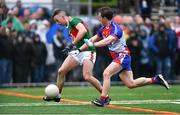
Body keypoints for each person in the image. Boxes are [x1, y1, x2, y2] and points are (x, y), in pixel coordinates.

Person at [82, 7, 169, 107]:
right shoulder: (103, 28)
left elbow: (108, 41)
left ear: (105, 18)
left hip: (123, 55)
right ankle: (155, 79)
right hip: (118, 57)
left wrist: (93, 45)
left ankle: (103, 99)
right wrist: (80, 49)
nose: (98, 19)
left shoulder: (116, 29)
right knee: (131, 84)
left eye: (99, 17)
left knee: (106, 73)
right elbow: (93, 38)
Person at [43, 9, 110, 103]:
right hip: (78, 51)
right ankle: (57, 95)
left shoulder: (74, 20)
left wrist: (72, 44)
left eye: (57, 20)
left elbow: (82, 31)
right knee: (61, 71)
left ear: (63, 17)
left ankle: (105, 96)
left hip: (88, 50)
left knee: (87, 76)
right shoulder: (69, 25)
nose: (57, 23)